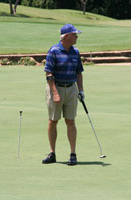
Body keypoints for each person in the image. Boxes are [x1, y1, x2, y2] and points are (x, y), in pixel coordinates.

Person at [42, 24, 84, 165]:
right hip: (56, 88)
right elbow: (48, 74)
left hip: (71, 89)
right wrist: (55, 92)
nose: (77, 37)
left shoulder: (76, 52)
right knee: (53, 120)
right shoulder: (54, 51)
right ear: (66, 37)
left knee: (70, 121)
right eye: (74, 34)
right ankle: (52, 153)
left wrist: (81, 90)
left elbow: (79, 72)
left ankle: (73, 154)